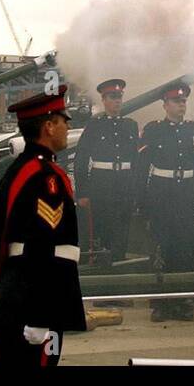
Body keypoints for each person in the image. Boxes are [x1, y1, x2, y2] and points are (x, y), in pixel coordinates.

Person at [0, 86, 86, 368]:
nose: (68, 126)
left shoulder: (22, 169)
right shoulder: (44, 178)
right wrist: (39, 316)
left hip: (16, 297)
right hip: (34, 306)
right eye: (64, 120)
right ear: (49, 126)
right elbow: (43, 248)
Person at [140, 82, 194, 321]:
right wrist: (144, 202)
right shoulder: (154, 130)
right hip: (162, 193)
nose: (181, 105)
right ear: (165, 105)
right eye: (176, 101)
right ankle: (161, 303)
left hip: (188, 194)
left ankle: (183, 300)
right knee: (162, 248)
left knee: (185, 248)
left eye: (183, 101)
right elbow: (143, 168)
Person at [73, 78, 141, 264]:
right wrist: (83, 192)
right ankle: (101, 267)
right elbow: (81, 159)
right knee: (102, 230)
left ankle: (118, 263)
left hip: (124, 185)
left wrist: (135, 190)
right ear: (104, 100)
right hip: (101, 185)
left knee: (121, 231)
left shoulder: (130, 126)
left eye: (119, 97)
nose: (117, 101)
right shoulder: (95, 126)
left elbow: (136, 161)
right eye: (112, 97)